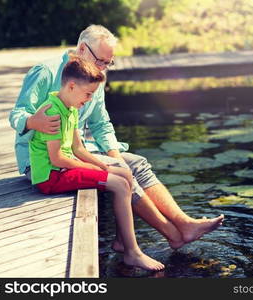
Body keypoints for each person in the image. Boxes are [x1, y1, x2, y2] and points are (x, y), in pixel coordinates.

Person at [9, 24, 224, 253]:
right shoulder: (46, 71)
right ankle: (171, 233)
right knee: (121, 175)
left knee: (135, 163)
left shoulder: (94, 77)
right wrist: (33, 121)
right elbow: (17, 113)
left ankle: (183, 223)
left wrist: (114, 155)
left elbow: (100, 124)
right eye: (100, 61)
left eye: (108, 63)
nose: (103, 68)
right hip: (40, 159)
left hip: (74, 150)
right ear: (82, 49)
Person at [30, 56, 164, 271]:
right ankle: (133, 253)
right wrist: (94, 169)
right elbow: (57, 158)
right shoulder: (53, 112)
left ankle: (122, 241)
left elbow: (78, 149)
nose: (90, 99)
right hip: (51, 177)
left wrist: (104, 166)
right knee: (119, 184)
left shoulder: (70, 108)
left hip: (64, 168)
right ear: (72, 86)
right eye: (88, 94)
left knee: (125, 173)